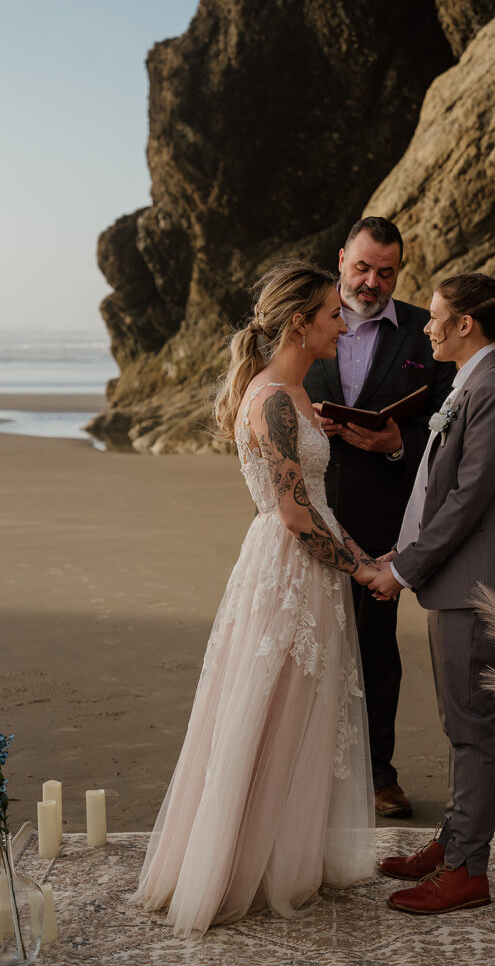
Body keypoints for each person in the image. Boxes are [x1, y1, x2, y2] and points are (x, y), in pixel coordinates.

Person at [133, 261, 377, 935]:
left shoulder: (294, 394)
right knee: (268, 713)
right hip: (287, 571)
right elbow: (297, 516)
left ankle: (283, 858)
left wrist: (360, 559)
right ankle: (242, 868)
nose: (342, 323)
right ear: (300, 322)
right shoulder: (271, 399)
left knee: (302, 715)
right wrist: (360, 571)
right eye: (333, 313)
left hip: (308, 569)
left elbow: (316, 505)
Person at [370, 272, 495, 914]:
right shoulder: (473, 380)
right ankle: (454, 841)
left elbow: (467, 499)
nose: (424, 326)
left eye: (434, 317)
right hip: (456, 572)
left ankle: (467, 871)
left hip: (475, 578)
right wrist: (405, 553)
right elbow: (437, 484)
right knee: (460, 716)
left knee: (471, 725)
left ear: (464, 325)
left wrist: (404, 571)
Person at [304, 217, 454, 817]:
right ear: (341, 258)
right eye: (362, 267)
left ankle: (378, 776)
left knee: (374, 648)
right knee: (303, 646)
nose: (371, 282)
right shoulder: (303, 318)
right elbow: (263, 394)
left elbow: (448, 430)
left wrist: (395, 442)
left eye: (385, 273)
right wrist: (295, 420)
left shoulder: (425, 332)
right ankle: (303, 776)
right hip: (308, 510)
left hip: (382, 519)